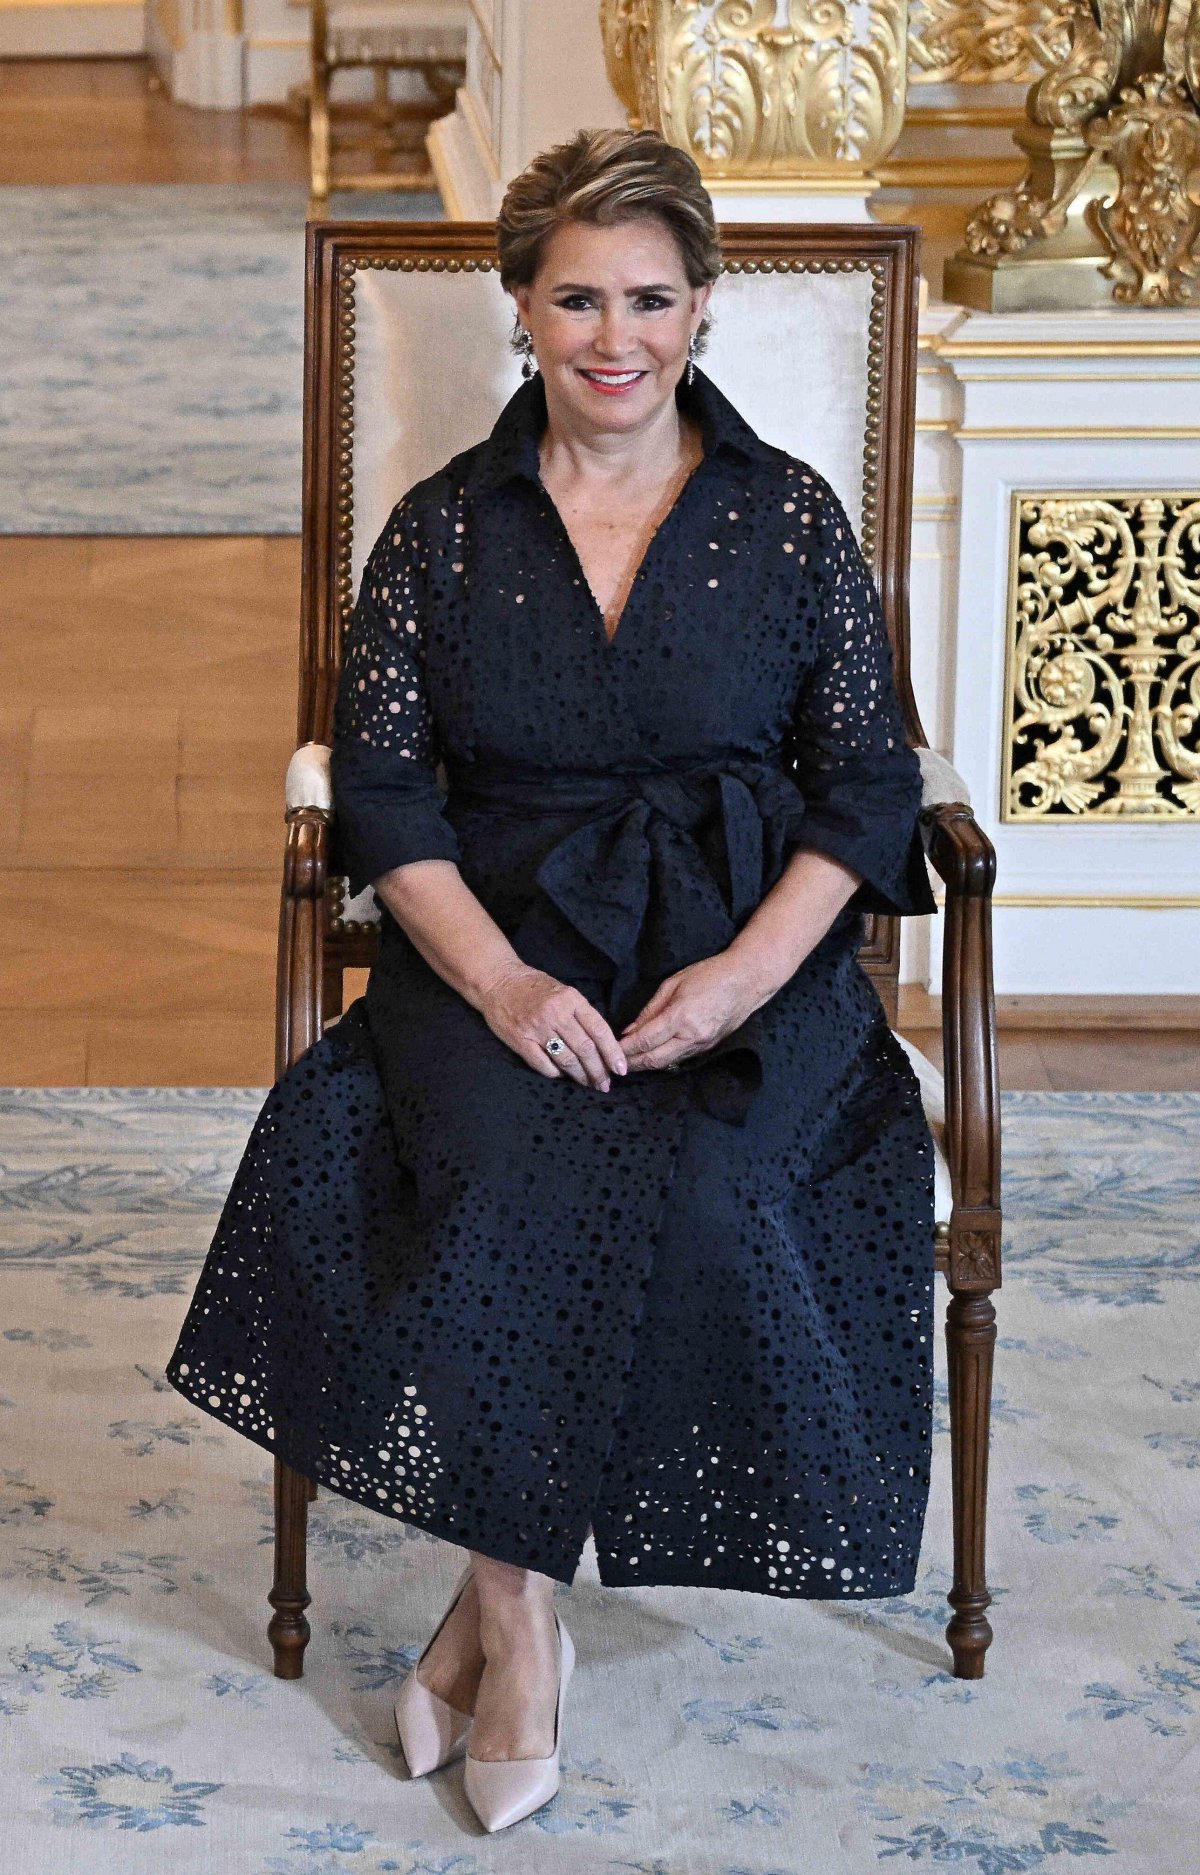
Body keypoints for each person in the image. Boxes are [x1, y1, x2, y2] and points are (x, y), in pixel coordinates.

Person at [168, 125, 937, 1833]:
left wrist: (741, 980)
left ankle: (470, 1619)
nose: (615, 337)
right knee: (501, 1179)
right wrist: (506, 988)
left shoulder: (789, 519)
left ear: (706, 308)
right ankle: (523, 1622)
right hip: (491, 953)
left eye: (651, 299)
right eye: (576, 297)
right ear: (518, 307)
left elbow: (870, 781)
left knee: (726, 1191)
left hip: (745, 958)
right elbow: (382, 794)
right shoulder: (441, 533)